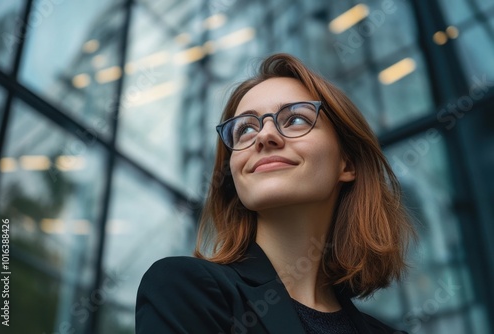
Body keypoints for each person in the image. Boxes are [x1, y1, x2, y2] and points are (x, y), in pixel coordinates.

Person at [136, 53, 414, 333]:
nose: (263, 136)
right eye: (245, 128)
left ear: (347, 164)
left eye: (295, 120)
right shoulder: (186, 290)